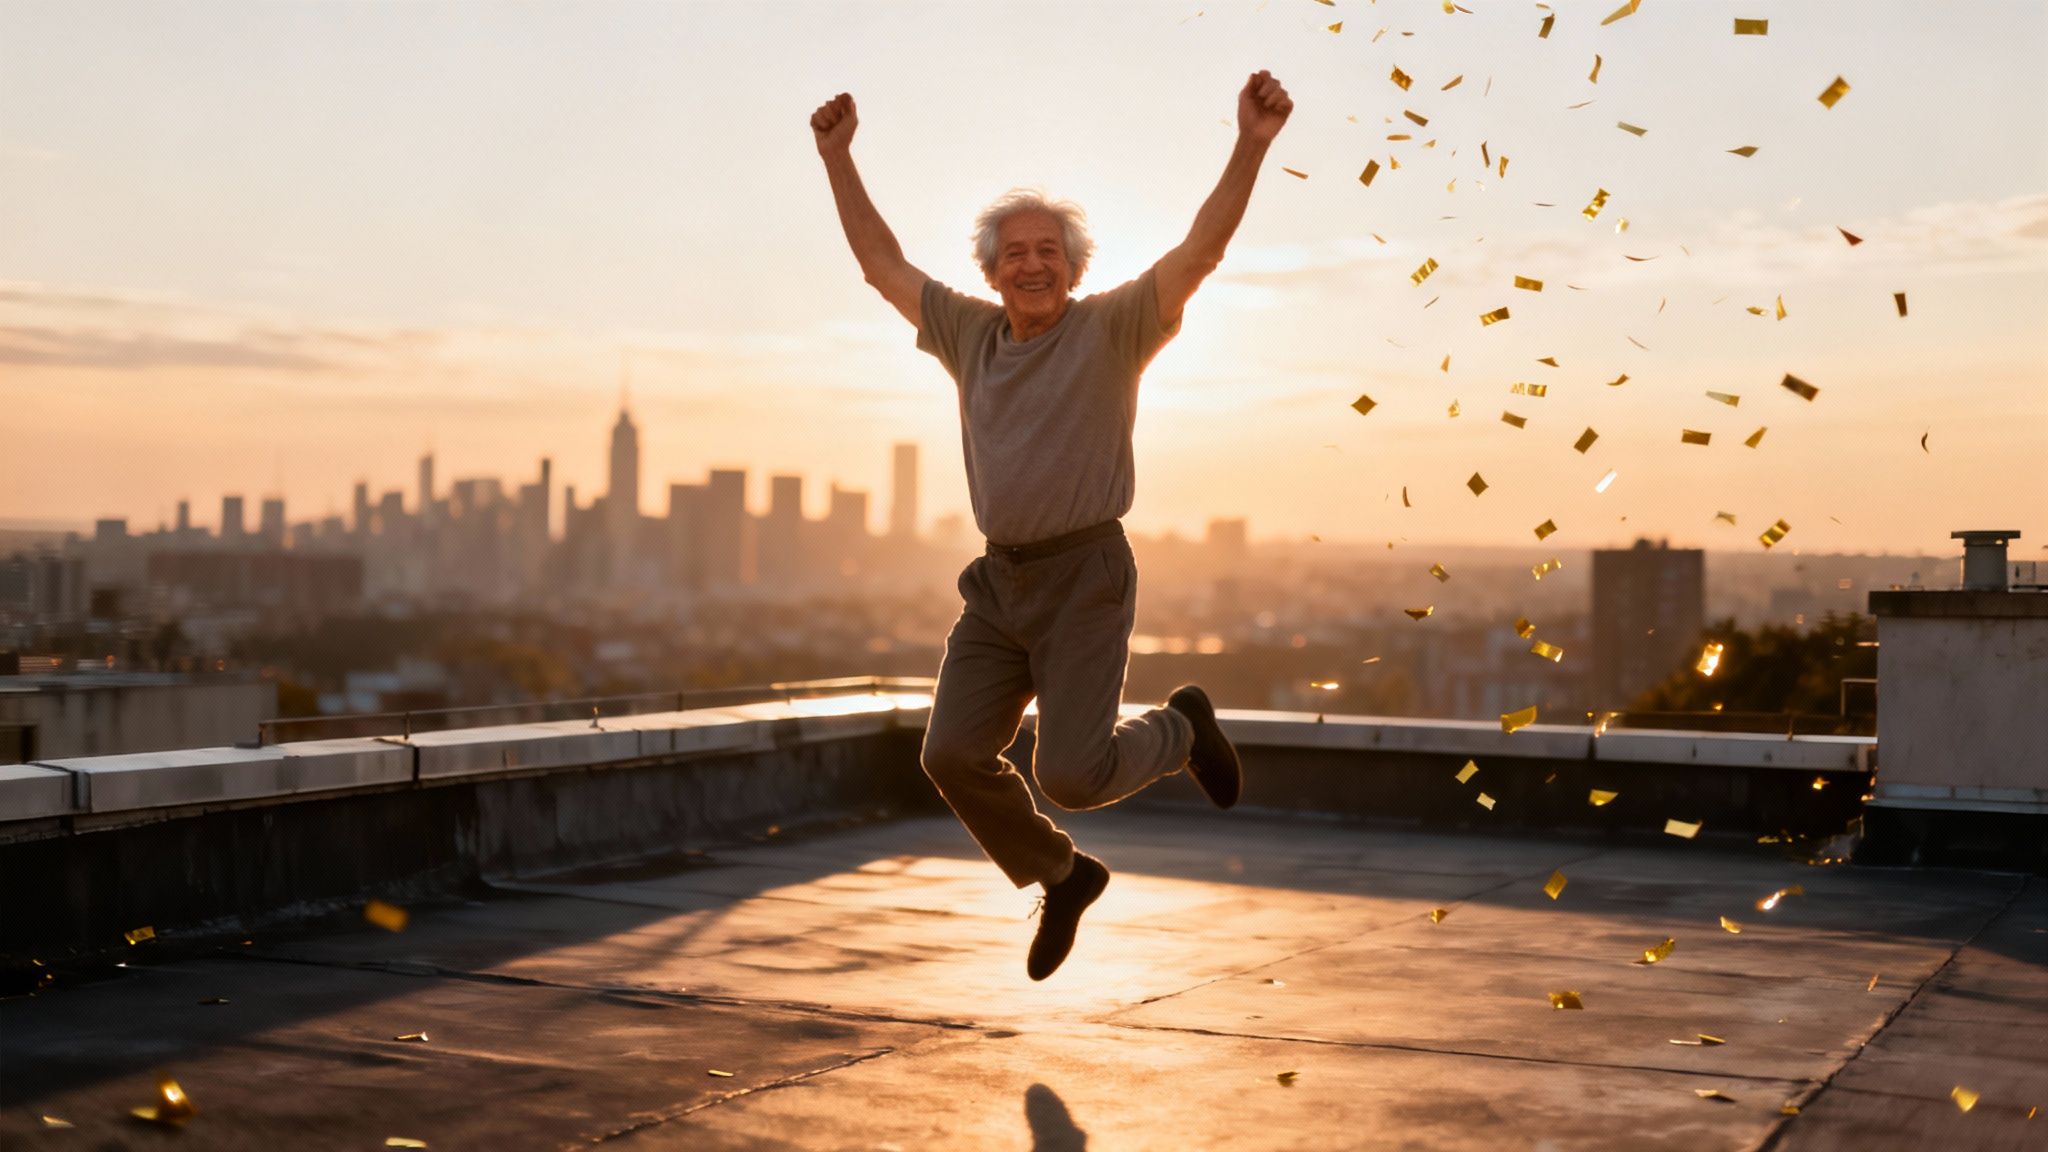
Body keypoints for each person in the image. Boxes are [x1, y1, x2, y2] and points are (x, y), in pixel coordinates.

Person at [810, 72, 1294, 980]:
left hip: (1085, 577)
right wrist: (839, 158)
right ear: (990, 272)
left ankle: (1183, 729)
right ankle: (1059, 874)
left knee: (1074, 775)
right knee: (950, 751)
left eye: (1049, 251)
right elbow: (881, 267)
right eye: (1014, 253)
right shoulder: (968, 332)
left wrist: (1251, 143)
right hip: (998, 583)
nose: (1031, 265)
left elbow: (1199, 254)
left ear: (1075, 267)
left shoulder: (1112, 330)